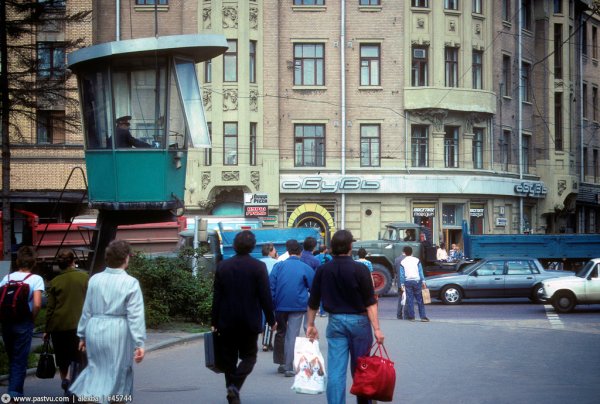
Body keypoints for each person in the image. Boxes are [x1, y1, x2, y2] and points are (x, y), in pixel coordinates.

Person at [306, 229, 384, 404]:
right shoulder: (361, 269)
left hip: (335, 322)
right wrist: (377, 329)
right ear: (350, 246)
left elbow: (313, 301)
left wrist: (310, 324)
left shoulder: (323, 269)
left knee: (335, 371)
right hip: (360, 322)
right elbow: (370, 302)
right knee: (362, 369)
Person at [68, 240, 146, 404]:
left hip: (94, 329)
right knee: (119, 373)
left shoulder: (95, 279)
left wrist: (82, 335)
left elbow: (87, 310)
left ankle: (90, 397)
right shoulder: (130, 283)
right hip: (117, 331)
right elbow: (135, 315)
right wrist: (139, 343)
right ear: (126, 258)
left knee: (96, 370)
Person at [211, 230, 276, 404]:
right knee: (249, 356)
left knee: (229, 360)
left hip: (226, 321)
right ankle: (235, 386)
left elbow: (217, 296)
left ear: (234, 245)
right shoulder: (258, 267)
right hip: (249, 321)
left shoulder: (223, 266)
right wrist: (271, 320)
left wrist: (214, 321)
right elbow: (265, 296)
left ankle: (231, 392)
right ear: (253, 246)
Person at [0, 246, 44, 399]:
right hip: (23, 322)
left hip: (6, 323)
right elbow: (37, 304)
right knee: (19, 360)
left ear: (18, 261)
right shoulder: (36, 279)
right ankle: (13, 395)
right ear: (33, 262)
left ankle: (14, 391)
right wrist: (31, 318)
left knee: (13, 358)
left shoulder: (7, 278)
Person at [44, 250, 89, 394]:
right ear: (72, 261)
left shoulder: (55, 282)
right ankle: (77, 386)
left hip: (59, 326)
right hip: (79, 325)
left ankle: (65, 382)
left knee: (63, 359)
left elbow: (50, 308)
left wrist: (47, 329)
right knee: (79, 358)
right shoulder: (84, 277)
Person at [269, 239, 314, 377]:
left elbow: (271, 286)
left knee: (281, 332)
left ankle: (281, 362)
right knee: (292, 335)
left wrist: (272, 305)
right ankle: (289, 367)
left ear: (288, 252)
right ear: (300, 252)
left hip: (280, 305)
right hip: (297, 305)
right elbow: (313, 287)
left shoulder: (278, 266)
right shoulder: (305, 267)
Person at [399, 246, 429, 322]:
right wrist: (423, 282)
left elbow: (402, 275)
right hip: (417, 281)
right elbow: (420, 272)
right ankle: (423, 317)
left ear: (404, 253)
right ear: (412, 252)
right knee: (419, 299)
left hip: (407, 282)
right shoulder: (417, 260)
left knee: (410, 300)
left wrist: (402, 284)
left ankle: (412, 317)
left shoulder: (402, 262)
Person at [394, 251, 408, 320]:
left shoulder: (396, 259)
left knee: (400, 298)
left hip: (399, 282)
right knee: (407, 299)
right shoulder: (408, 259)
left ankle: (399, 315)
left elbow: (395, 271)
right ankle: (406, 315)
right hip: (406, 281)